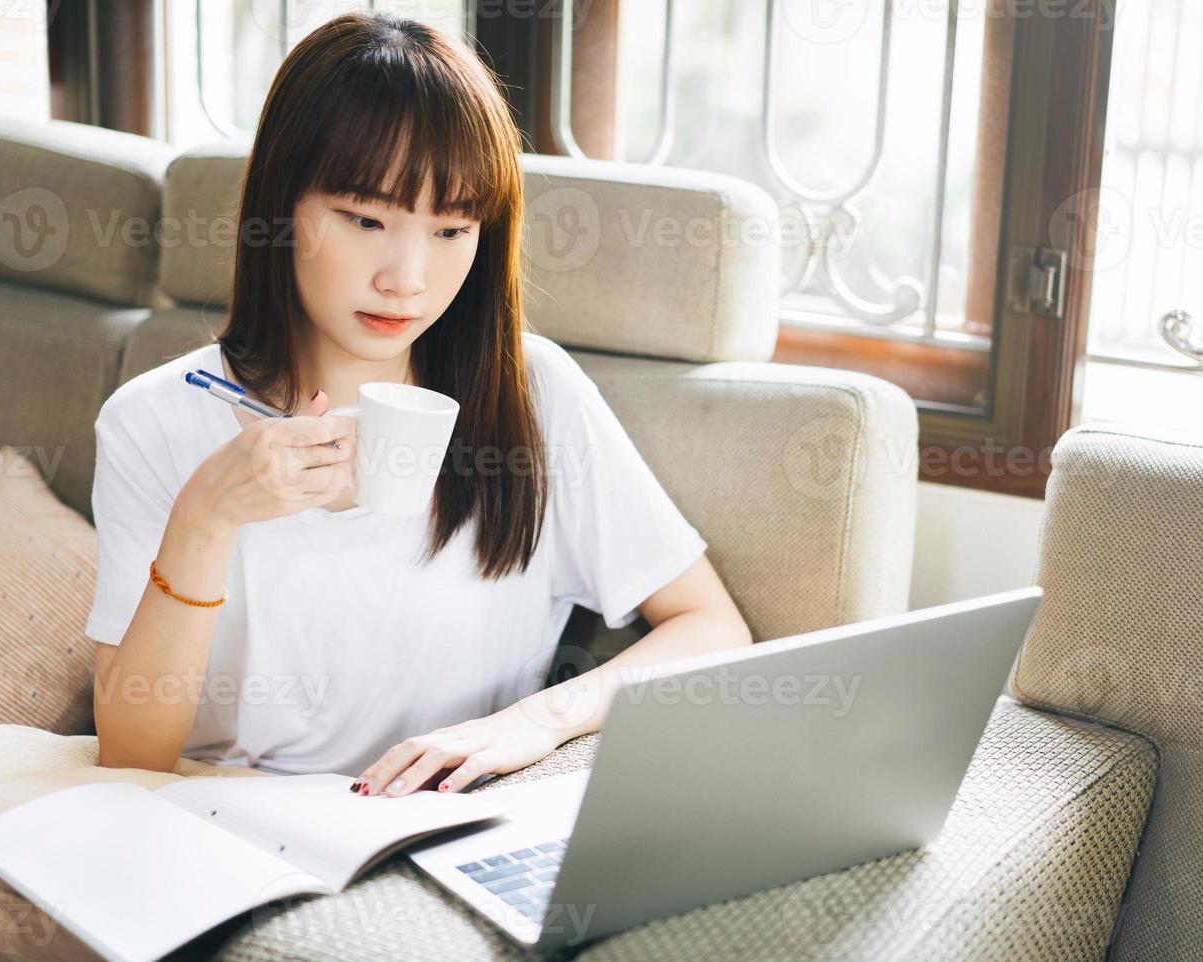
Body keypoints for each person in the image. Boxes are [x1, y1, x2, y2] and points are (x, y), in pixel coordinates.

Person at [85, 11, 752, 796]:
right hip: (232, 820)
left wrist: (533, 722)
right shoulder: (155, 419)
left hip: (445, 821)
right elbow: (132, 752)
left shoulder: (534, 395)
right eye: (365, 219)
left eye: (451, 228)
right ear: (279, 209)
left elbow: (711, 628)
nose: (407, 278)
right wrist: (206, 516)